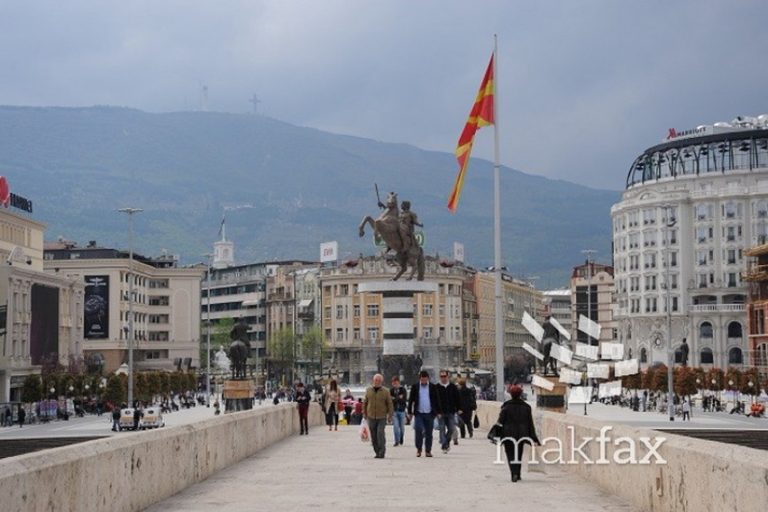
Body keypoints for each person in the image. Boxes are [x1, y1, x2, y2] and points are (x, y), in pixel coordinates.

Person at [497, 384, 540, 482]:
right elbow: (530, 423)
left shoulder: (506, 407)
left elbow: (500, 421)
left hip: (508, 433)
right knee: (518, 453)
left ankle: (513, 473)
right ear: (521, 394)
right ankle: (518, 473)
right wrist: (534, 438)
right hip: (522, 433)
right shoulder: (527, 407)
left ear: (510, 394)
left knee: (510, 454)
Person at [408, 370, 440, 458]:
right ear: (420, 379)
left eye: (425, 380)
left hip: (430, 413)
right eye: (422, 380)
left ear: (428, 379)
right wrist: (410, 412)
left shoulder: (433, 387)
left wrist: (438, 412)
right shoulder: (415, 387)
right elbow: (411, 400)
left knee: (429, 433)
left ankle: (428, 451)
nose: (423, 381)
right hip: (419, 413)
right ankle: (419, 449)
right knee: (418, 429)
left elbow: (437, 400)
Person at [363, 374, 393, 459]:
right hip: (371, 416)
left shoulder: (386, 391)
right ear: (373, 380)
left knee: (380, 434)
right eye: (376, 380)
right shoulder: (368, 390)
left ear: (381, 381)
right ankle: (377, 452)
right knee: (373, 436)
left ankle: (382, 452)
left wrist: (390, 415)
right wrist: (364, 413)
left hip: (382, 416)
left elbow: (390, 403)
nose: (377, 382)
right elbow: (365, 403)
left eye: (379, 380)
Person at [435, 370, 461, 454]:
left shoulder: (453, 387)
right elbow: (434, 401)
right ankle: (444, 445)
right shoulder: (437, 387)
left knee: (451, 428)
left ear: (447, 376)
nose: (443, 378)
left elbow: (457, 398)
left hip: (451, 411)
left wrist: (459, 408)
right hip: (440, 412)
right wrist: (436, 411)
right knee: (442, 429)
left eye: (444, 376)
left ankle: (445, 442)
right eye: (441, 377)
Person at [390, 376, 408, 446]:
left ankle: (401, 437)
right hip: (394, 411)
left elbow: (404, 400)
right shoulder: (391, 390)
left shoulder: (403, 390)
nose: (395, 384)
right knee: (395, 426)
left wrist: (395, 398)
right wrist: (399, 398)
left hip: (401, 411)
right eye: (393, 383)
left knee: (402, 427)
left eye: (396, 383)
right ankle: (396, 441)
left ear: (399, 383)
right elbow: (390, 400)